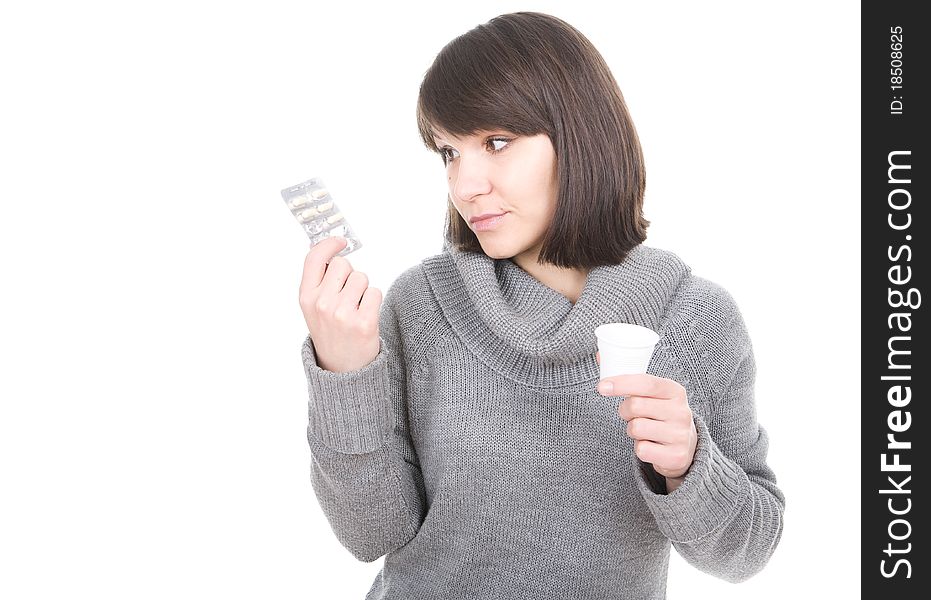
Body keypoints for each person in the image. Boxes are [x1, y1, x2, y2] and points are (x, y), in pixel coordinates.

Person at [298, 11, 784, 599]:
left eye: (496, 143)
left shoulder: (693, 320)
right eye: (449, 152)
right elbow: (371, 532)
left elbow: (750, 550)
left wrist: (689, 465)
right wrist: (346, 373)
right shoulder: (422, 305)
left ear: (577, 135)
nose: (465, 184)